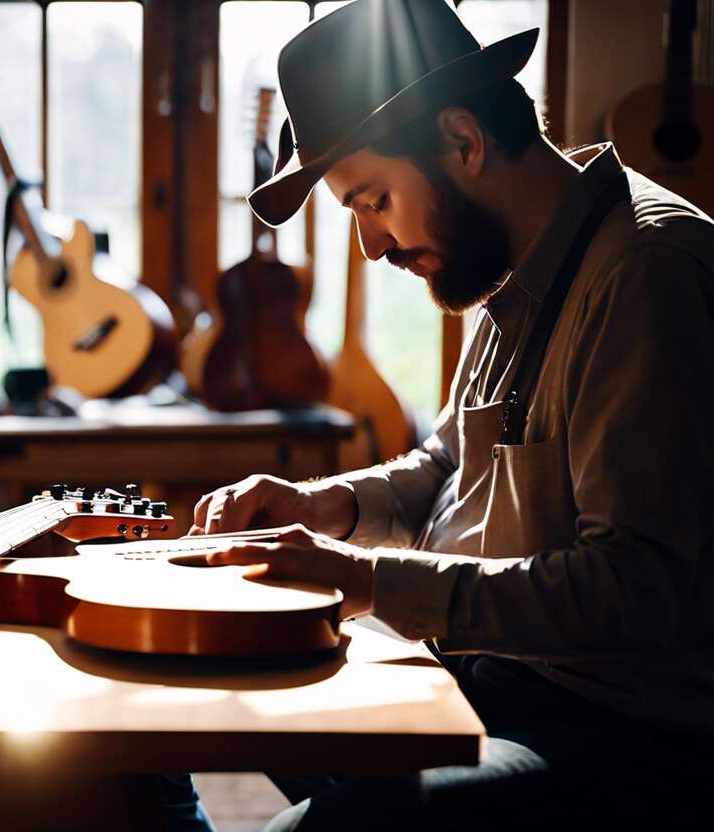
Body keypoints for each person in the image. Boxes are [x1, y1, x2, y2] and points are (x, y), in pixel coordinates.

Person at [172, 0, 714, 829]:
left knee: (332, 823)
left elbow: (630, 591)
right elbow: (449, 464)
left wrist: (362, 579)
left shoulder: (645, 273)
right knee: (226, 701)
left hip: (621, 731)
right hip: (490, 682)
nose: (373, 247)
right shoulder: (517, 269)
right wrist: (329, 507)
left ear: (463, 141)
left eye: (373, 200)